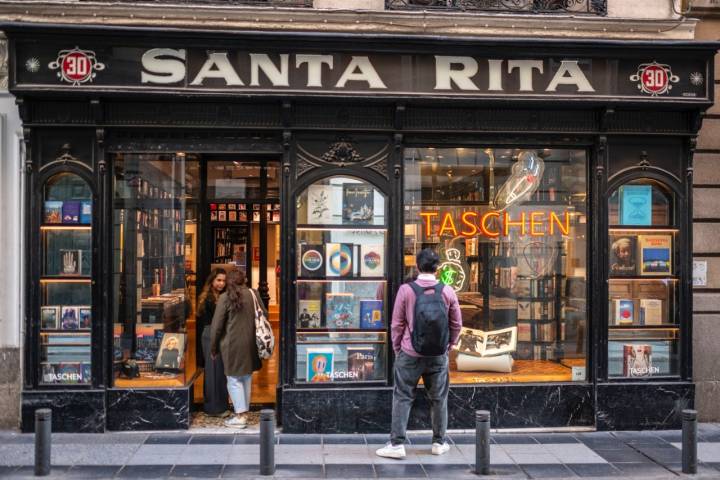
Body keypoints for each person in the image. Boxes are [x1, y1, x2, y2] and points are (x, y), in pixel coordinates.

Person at [376, 248, 462, 459]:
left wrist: (398, 349)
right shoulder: (447, 291)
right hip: (437, 355)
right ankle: (439, 442)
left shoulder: (406, 290)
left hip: (409, 353)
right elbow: (457, 324)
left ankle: (397, 445)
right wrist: (449, 345)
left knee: (403, 396)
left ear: (417, 266)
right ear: (438, 268)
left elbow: (397, 324)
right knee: (439, 398)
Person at [210, 268, 266, 428]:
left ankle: (240, 416)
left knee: (233, 379)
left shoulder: (224, 297)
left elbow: (216, 327)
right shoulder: (253, 294)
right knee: (246, 377)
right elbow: (265, 315)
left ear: (229, 282)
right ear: (244, 280)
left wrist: (213, 348)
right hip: (250, 343)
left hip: (231, 344)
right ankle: (244, 412)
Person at [197, 268, 229, 415]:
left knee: (219, 372)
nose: (222, 283)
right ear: (212, 281)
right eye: (219, 280)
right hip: (211, 335)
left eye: (224, 280)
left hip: (216, 334)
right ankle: (214, 408)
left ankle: (218, 405)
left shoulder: (221, 296)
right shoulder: (209, 298)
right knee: (213, 371)